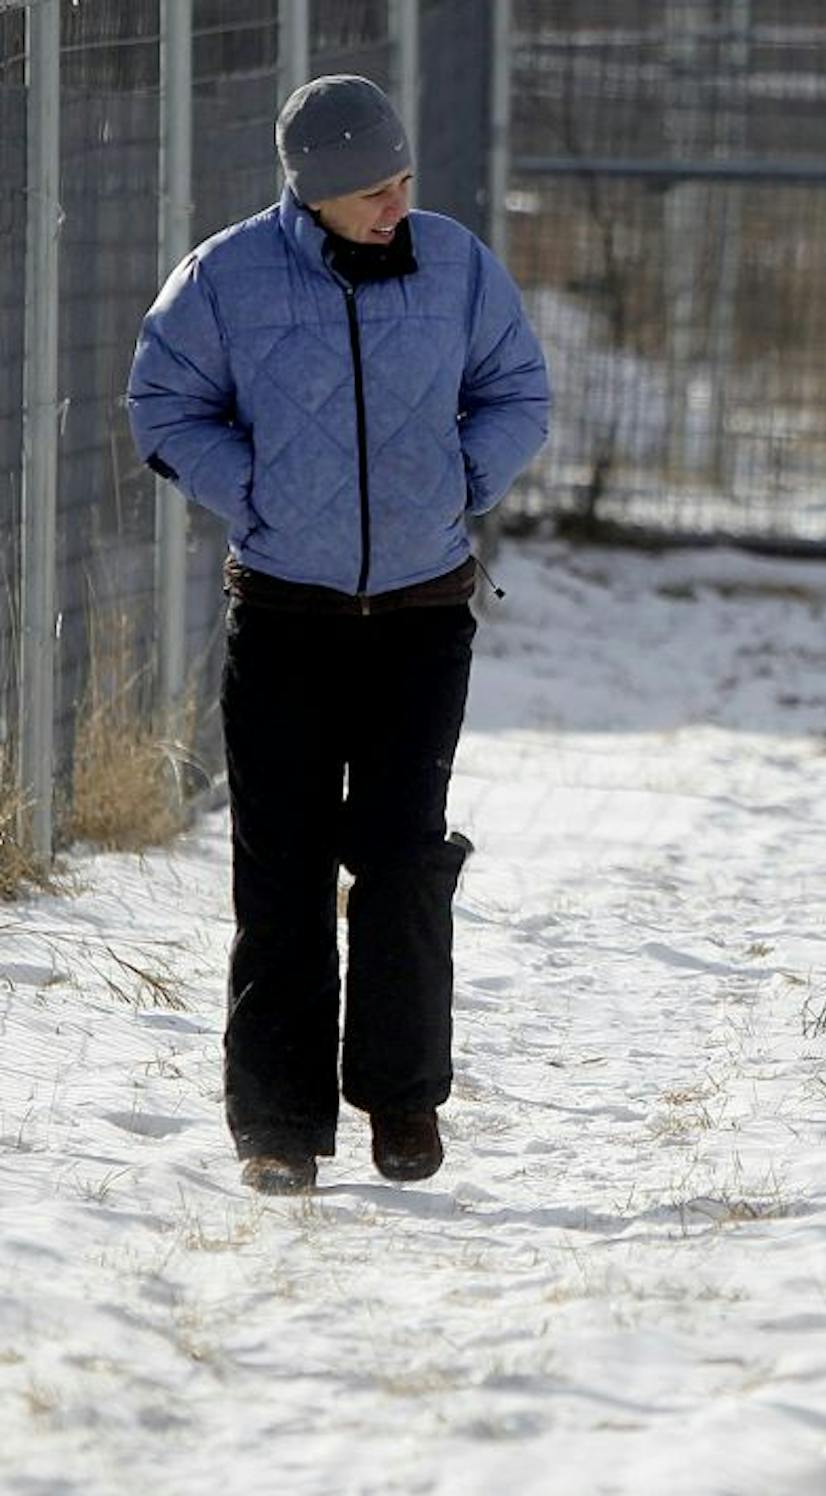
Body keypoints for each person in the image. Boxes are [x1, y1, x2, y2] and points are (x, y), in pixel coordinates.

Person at [127, 75, 550, 1195]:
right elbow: (162, 404)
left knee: (407, 860)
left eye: (404, 180)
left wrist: (467, 472)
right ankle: (276, 1125)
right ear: (311, 191)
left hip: (421, 615)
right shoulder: (226, 277)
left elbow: (520, 390)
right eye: (371, 189)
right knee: (284, 870)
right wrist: (253, 485)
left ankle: (402, 1100)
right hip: (283, 617)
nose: (395, 204)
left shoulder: (456, 263)